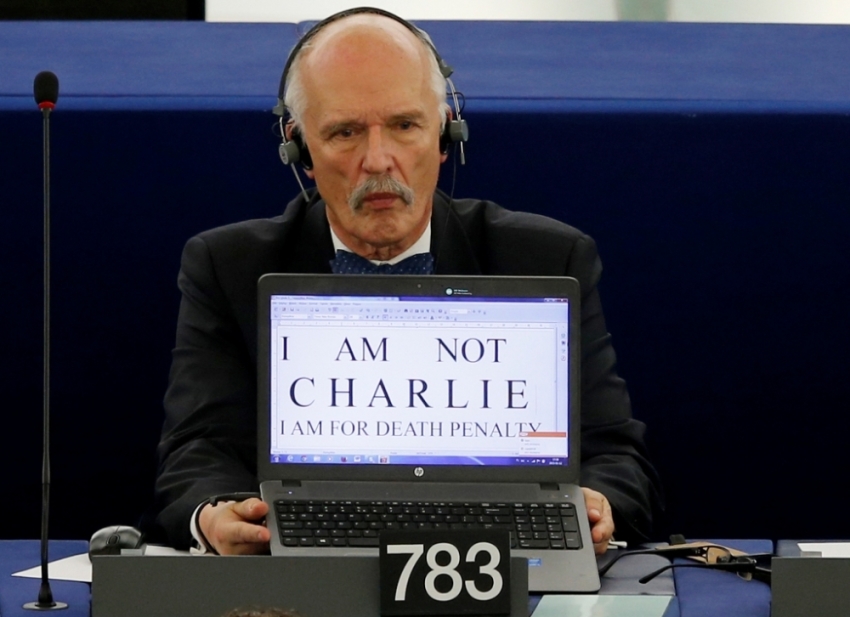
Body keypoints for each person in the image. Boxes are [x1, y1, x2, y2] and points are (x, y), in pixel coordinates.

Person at [148, 7, 662, 557]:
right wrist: (217, 517)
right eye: (345, 132)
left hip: (493, 557)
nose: (378, 160)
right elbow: (198, 452)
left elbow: (615, 457)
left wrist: (599, 504)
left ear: (444, 135)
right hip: (298, 562)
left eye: (404, 125)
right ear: (299, 150)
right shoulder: (228, 267)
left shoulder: (546, 259)